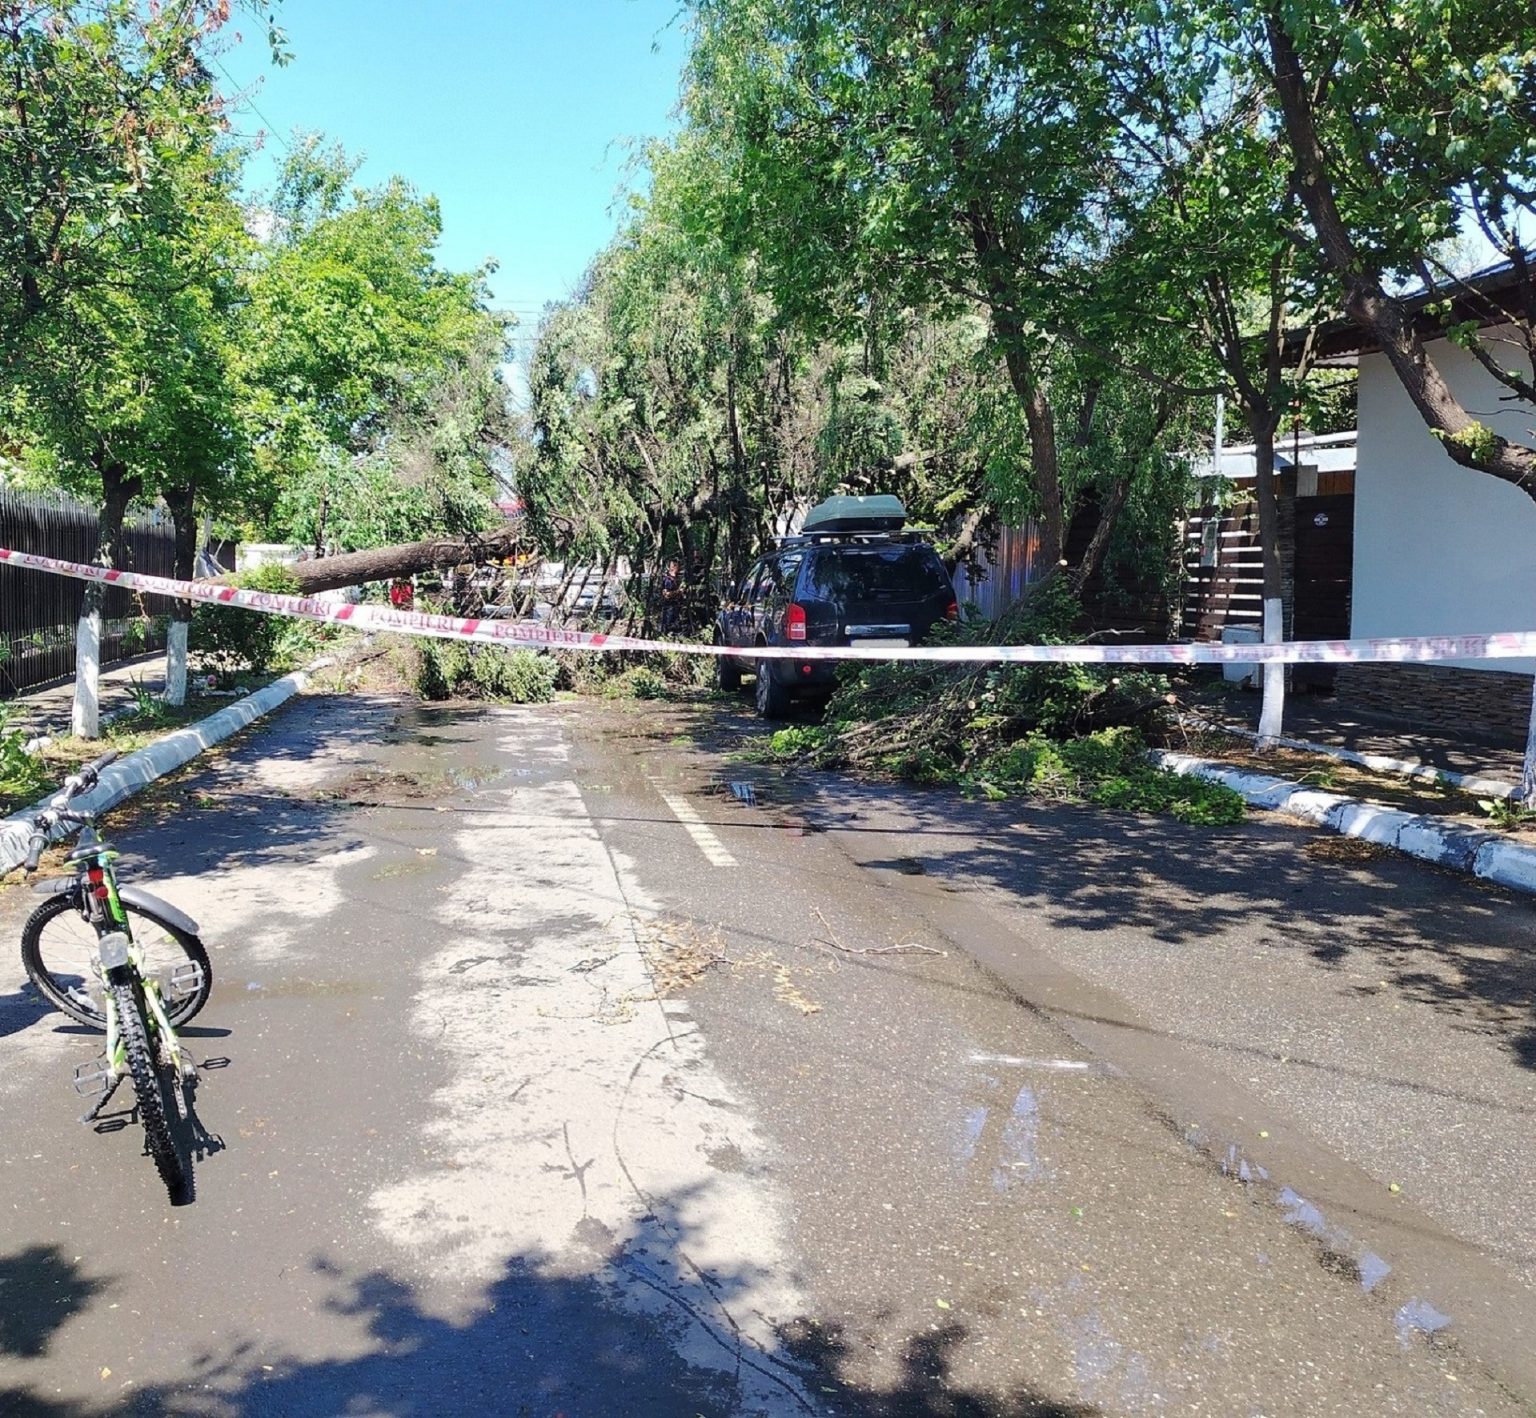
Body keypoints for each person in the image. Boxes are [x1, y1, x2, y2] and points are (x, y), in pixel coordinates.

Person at [659, 558, 683, 631]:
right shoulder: (668, 580)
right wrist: (679, 591)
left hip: (676, 606)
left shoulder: (676, 578)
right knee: (669, 626)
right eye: (677, 566)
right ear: (673, 567)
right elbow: (666, 594)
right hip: (669, 607)